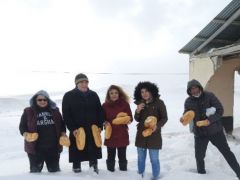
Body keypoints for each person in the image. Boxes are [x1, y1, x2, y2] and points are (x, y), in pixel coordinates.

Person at [182, 79, 240, 179]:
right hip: (200, 133)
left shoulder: (209, 96)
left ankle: (239, 173)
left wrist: (209, 120)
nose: (193, 90)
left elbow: (220, 110)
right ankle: (202, 175)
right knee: (199, 156)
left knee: (227, 152)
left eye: (195, 87)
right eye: (191, 89)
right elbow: (186, 114)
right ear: (189, 91)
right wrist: (184, 118)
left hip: (215, 131)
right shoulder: (188, 101)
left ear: (199, 87)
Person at [62, 73, 104, 174]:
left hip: (92, 127)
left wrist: (99, 126)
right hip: (77, 128)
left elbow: (100, 111)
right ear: (76, 83)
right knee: (77, 147)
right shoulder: (69, 95)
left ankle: (93, 166)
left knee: (93, 147)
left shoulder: (93, 95)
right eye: (81, 82)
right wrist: (72, 128)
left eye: (86, 82)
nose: (84, 84)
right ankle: (76, 166)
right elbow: (66, 114)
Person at [19, 90, 66, 173]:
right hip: (35, 149)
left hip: (53, 148)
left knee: (55, 172)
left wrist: (63, 134)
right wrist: (26, 134)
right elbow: (22, 126)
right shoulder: (28, 111)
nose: (42, 101)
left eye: (45, 100)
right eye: (40, 100)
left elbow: (62, 124)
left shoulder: (55, 110)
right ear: (35, 100)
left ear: (48, 100)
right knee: (35, 173)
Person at [134, 81, 168, 180]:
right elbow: (137, 119)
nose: (144, 94)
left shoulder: (159, 103)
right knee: (141, 158)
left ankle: (156, 176)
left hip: (154, 135)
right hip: (141, 135)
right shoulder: (140, 104)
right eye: (142, 92)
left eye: (146, 91)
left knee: (154, 159)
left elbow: (165, 118)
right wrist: (137, 111)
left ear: (152, 91)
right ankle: (140, 175)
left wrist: (157, 126)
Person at [102, 85, 133, 172]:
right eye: (111, 93)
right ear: (108, 95)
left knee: (122, 155)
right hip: (110, 133)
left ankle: (123, 172)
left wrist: (128, 120)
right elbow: (101, 118)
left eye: (116, 93)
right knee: (110, 155)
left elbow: (130, 117)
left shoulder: (124, 104)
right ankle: (110, 172)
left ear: (119, 94)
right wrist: (105, 122)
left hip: (122, 133)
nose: (114, 95)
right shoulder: (105, 105)